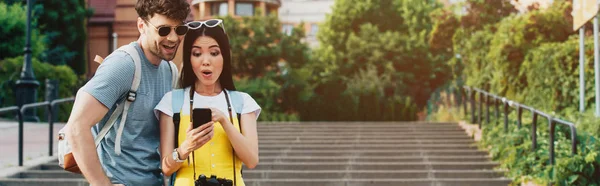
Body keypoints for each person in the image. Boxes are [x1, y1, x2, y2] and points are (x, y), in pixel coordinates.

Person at [64, 0, 190, 185]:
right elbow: (76, 126)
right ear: (141, 26)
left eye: (179, 30)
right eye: (163, 30)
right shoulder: (123, 65)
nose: (172, 38)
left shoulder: (170, 71)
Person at [154, 19, 261, 186]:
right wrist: (186, 147)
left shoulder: (242, 102)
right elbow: (166, 168)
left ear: (224, 56)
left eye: (214, 53)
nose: (206, 61)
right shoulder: (172, 101)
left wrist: (225, 122)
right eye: (197, 54)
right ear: (189, 59)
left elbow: (252, 160)